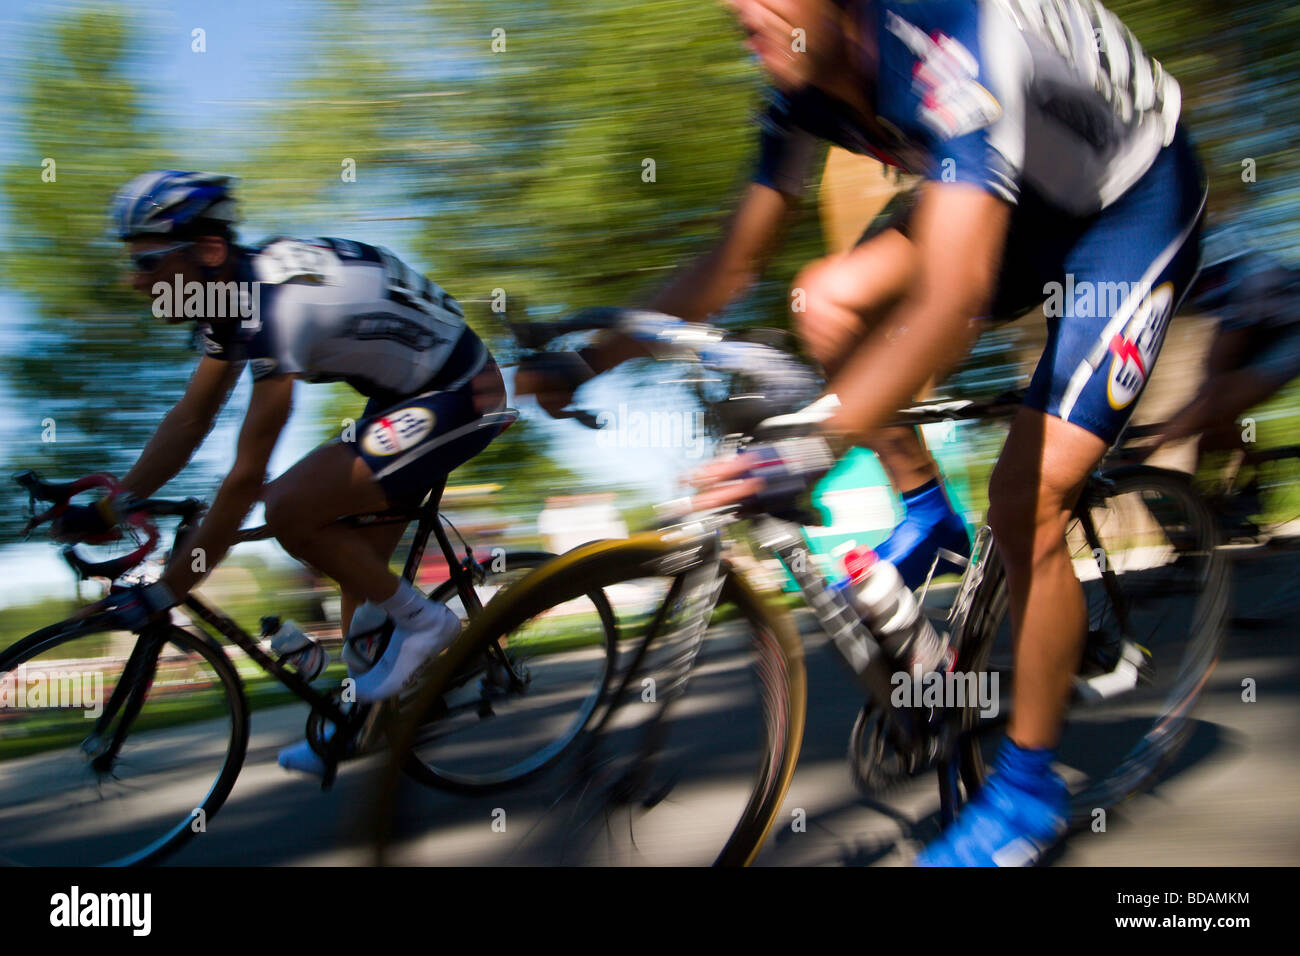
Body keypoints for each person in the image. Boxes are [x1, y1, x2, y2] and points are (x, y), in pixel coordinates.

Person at [524, 0, 1205, 866]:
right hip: (1019, 185)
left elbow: (952, 302)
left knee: (1027, 500)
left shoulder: (952, 33)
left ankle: (1029, 796)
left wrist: (809, 449)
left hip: (1129, 200)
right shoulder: (800, 85)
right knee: (826, 298)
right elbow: (734, 261)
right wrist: (593, 362)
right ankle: (926, 511)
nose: (741, 11)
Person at [59, 171, 509, 772]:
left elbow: (247, 475)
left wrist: (169, 589)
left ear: (209, 250)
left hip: (462, 391)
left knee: (290, 505)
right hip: (409, 392)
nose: (135, 281)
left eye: (148, 264)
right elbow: (190, 420)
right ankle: (376, 721)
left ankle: (430, 626)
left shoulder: (273, 306)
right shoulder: (228, 300)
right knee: (359, 580)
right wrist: (113, 508)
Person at [1137, 225, 1300, 468]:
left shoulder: (1246, 283)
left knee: (1218, 403)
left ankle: (1252, 472)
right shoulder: (1218, 275)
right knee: (1210, 426)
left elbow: (1212, 393)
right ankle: (1241, 479)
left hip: (1287, 334)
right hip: (1264, 320)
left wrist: (1151, 447)